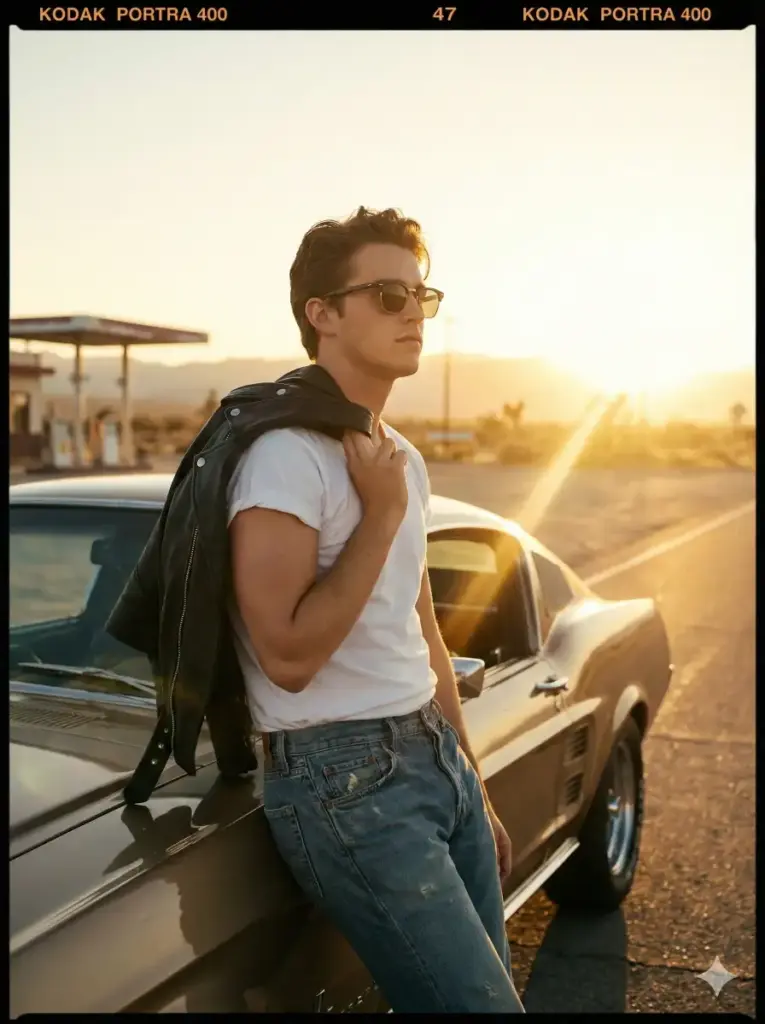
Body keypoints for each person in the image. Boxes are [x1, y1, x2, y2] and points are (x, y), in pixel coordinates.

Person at [227, 206, 525, 1013]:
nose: (412, 315)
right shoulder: (286, 456)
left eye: (419, 297)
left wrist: (473, 784)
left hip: (430, 757)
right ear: (320, 314)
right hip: (343, 777)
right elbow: (285, 659)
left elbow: (421, 630)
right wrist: (383, 513)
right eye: (387, 294)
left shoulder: (399, 458)